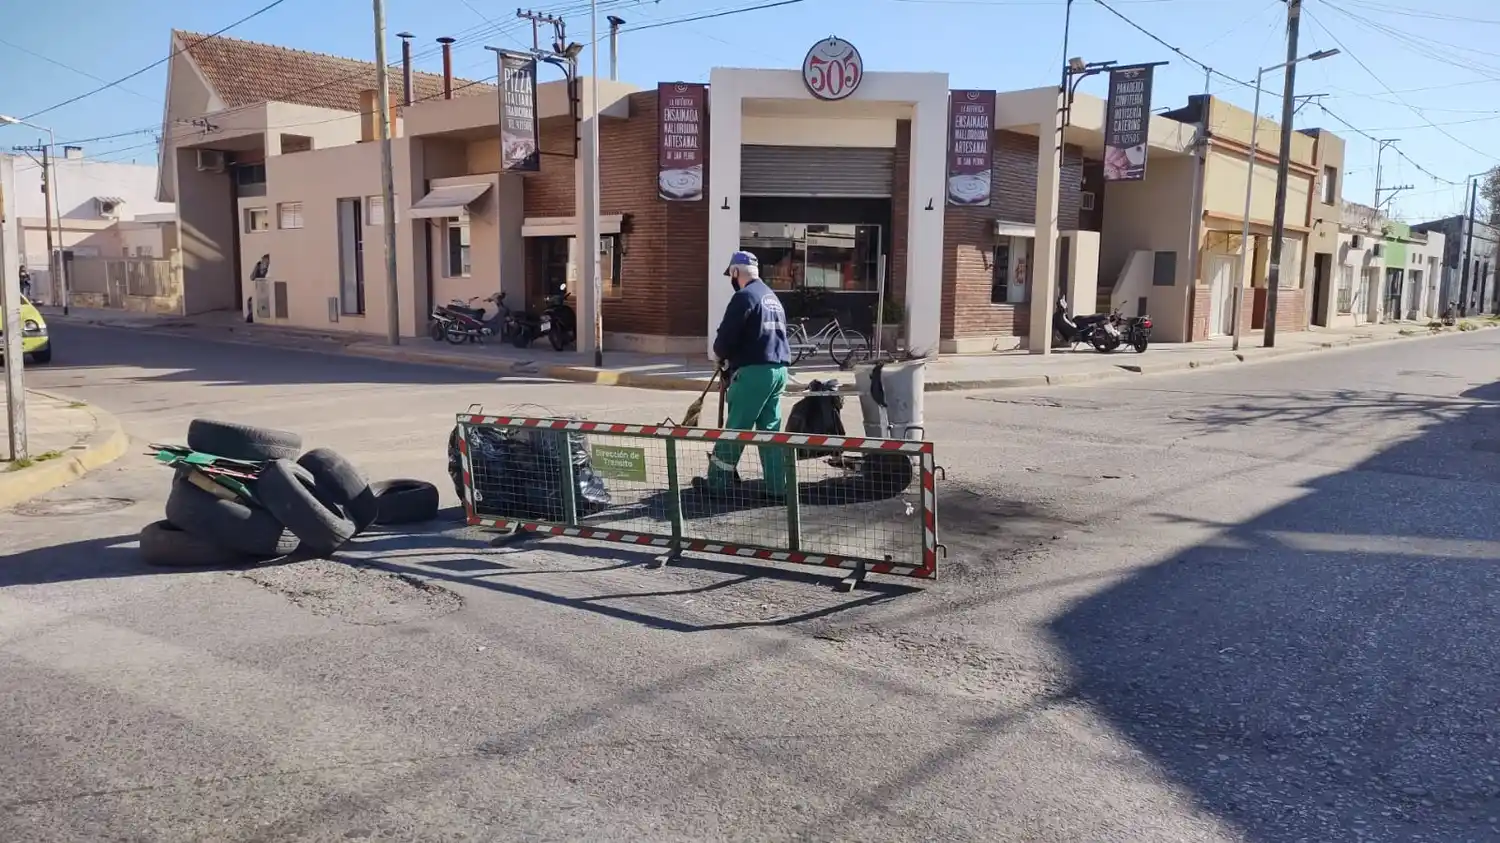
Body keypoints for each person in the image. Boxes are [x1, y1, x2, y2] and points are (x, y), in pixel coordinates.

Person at [703, 251, 791, 497]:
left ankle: (717, 483)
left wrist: (720, 356)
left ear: (735, 272)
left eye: (730, 274)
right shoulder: (772, 297)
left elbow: (726, 337)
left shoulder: (744, 297)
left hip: (754, 373)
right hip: (779, 370)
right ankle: (778, 487)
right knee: (770, 432)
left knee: (735, 429)